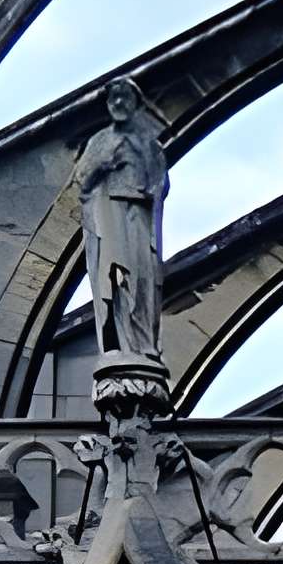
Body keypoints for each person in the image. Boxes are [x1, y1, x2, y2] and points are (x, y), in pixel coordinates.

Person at [74, 76, 168, 361]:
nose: (118, 103)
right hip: (108, 215)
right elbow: (83, 180)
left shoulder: (149, 146)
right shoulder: (99, 141)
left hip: (138, 215)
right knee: (114, 278)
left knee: (142, 276)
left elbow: (159, 183)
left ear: (136, 104)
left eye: (124, 97)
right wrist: (104, 164)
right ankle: (120, 342)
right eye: (113, 97)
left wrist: (148, 188)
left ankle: (142, 343)